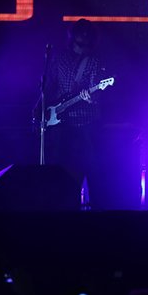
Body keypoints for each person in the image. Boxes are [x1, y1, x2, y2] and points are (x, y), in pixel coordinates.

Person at [40, 19, 107, 209]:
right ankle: (64, 206)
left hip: (87, 122)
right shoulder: (60, 58)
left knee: (90, 166)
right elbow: (50, 86)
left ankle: (95, 207)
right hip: (61, 123)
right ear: (73, 36)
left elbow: (98, 90)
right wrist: (44, 107)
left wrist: (90, 97)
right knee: (62, 165)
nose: (83, 39)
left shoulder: (94, 60)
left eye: (87, 36)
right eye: (80, 35)